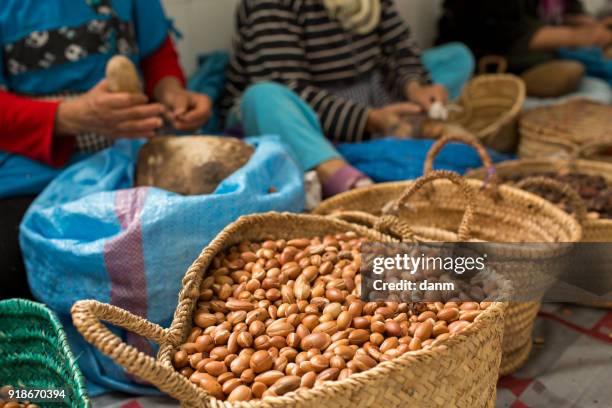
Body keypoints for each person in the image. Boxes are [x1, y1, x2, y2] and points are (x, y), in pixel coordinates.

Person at [0, 0, 212, 298]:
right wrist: (69, 115)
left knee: (193, 247)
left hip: (134, 154)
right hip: (32, 171)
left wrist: (173, 94)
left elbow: (157, 57)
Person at [223, 0, 472, 197]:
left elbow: (399, 48)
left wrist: (415, 87)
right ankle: (344, 177)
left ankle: (406, 123)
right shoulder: (269, 5)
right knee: (263, 96)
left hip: (367, 91)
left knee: (457, 57)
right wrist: (370, 120)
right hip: (305, 104)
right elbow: (289, 84)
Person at [437, 0, 612, 74]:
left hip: (531, 43)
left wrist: (599, 28)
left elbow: (572, 13)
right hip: (494, 53)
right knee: (574, 71)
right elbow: (514, 34)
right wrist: (585, 36)